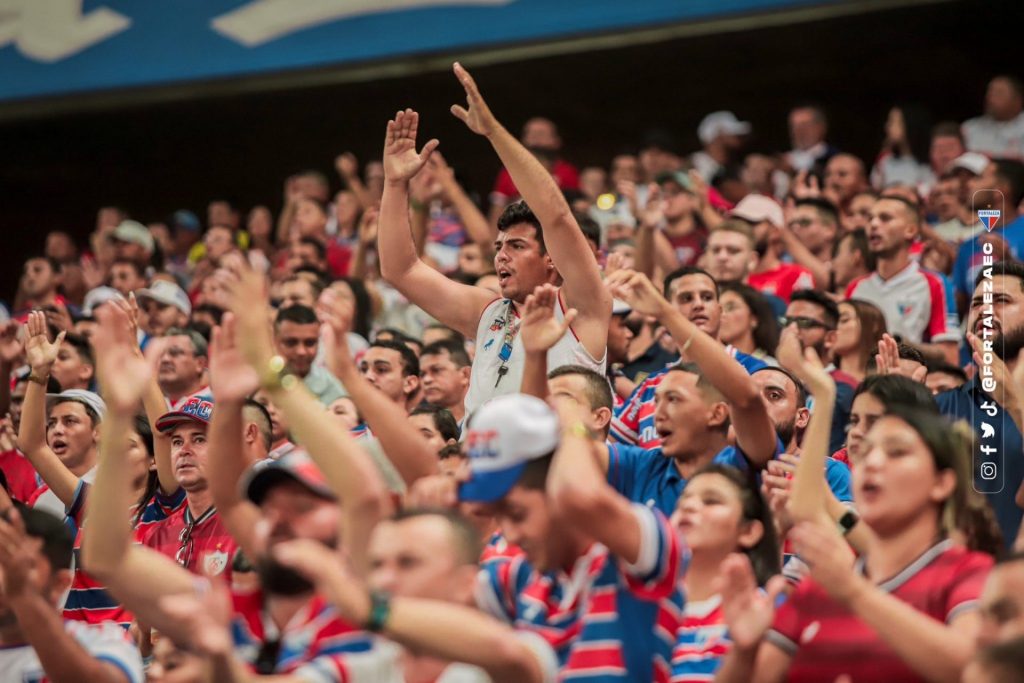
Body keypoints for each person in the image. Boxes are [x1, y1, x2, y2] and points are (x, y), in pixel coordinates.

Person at [377, 65, 609, 418]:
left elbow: (557, 216)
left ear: (552, 260)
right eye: (499, 247)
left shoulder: (581, 305)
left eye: (517, 246)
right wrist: (395, 185)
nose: (502, 255)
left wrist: (493, 133)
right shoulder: (488, 313)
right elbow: (400, 269)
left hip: (551, 466)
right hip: (477, 466)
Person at [716, 407, 995, 683]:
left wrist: (855, 593)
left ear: (942, 482)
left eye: (896, 452)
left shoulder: (970, 571)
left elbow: (976, 669)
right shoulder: (819, 585)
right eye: (865, 454)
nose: (872, 463)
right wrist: (743, 650)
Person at [459, 393, 687, 680]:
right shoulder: (524, 578)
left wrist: (571, 429)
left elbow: (580, 495)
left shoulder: (640, 554)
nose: (510, 535)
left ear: (557, 491)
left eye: (517, 514)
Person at [612, 267, 769, 449]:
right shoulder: (652, 384)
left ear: (720, 311)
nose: (698, 305)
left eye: (707, 297)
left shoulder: (753, 370)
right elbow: (609, 447)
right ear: (664, 307)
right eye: (686, 298)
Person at [0, 500, 144, 683]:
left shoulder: (102, 639)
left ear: (60, 584)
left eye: (23, 566)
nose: (6, 578)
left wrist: (23, 598)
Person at [667, 465, 782, 682]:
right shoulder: (645, 607)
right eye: (682, 500)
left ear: (748, 532)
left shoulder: (762, 611)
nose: (689, 506)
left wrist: (743, 652)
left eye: (711, 501)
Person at [937, 261, 1024, 545]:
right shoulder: (940, 407)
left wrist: (1015, 402)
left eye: (1001, 300)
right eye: (976, 304)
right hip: (957, 581)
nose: (985, 311)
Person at [846, 196, 959, 362]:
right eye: (870, 219)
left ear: (911, 230)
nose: (874, 224)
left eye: (885, 218)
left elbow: (950, 356)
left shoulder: (934, 284)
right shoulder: (855, 287)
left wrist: (902, 345)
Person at [952, 159, 1024, 311]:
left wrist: (1009, 262)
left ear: (1001, 190)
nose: (970, 184)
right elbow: (958, 313)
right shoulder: (967, 246)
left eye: (979, 178)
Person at [273, 304, 346, 406]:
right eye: (291, 342)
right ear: (275, 341)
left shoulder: (334, 391)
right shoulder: (256, 384)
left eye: (309, 343)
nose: (301, 351)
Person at [962, 75, 1024, 159]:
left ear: (1018, 100)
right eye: (990, 92)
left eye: (999, 93)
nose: (990, 98)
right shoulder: (969, 129)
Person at [718, 283, 780, 364]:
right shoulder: (711, 365)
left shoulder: (771, 366)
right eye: (719, 310)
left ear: (754, 318)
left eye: (730, 307)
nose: (722, 315)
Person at [831, 299, 887, 383]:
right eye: (831, 322)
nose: (834, 328)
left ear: (873, 325)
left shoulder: (887, 377)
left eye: (844, 320)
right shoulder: (821, 376)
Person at [418, 339, 471, 425]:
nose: (426, 380)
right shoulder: (416, 427)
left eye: (437, 370)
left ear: (465, 375)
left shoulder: (486, 419)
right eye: (422, 374)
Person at [690, 111, 750, 182]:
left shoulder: (735, 168)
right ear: (719, 133)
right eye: (730, 130)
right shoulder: (694, 164)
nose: (738, 136)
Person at [156, 327, 209, 407]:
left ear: (200, 363)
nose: (165, 359)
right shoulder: (146, 405)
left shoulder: (215, 405)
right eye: (160, 354)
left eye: (175, 352)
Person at [785, 105, 839, 174]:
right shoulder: (785, 159)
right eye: (794, 126)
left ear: (821, 127)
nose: (797, 131)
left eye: (804, 125)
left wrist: (793, 171)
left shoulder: (834, 157)